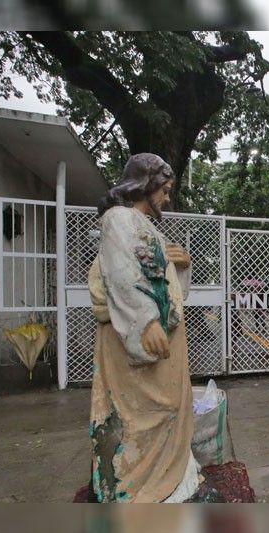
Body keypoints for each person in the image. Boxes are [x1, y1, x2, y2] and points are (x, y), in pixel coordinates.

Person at [87, 153, 203, 502]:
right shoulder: (119, 219)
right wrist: (146, 321)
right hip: (142, 337)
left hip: (164, 339)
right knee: (143, 413)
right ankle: (141, 488)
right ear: (146, 184)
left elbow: (163, 281)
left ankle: (174, 477)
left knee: (170, 409)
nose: (167, 198)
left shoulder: (144, 225)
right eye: (165, 190)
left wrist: (179, 263)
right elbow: (123, 274)